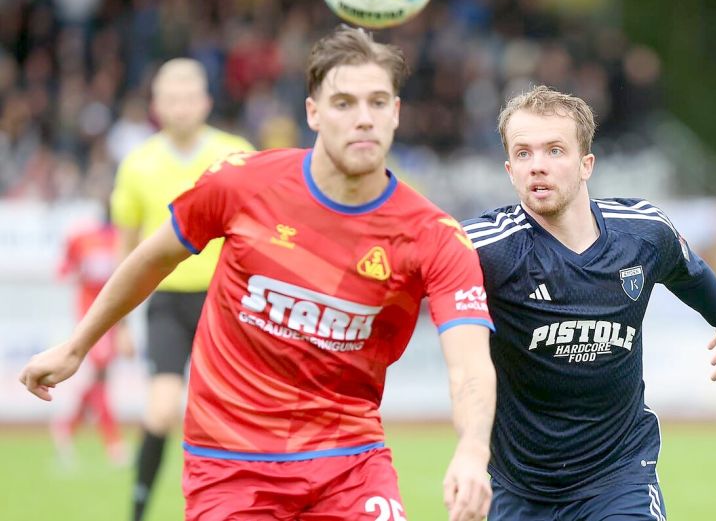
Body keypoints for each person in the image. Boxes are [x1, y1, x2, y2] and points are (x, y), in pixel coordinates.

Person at [20, 26, 496, 521]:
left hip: (349, 461)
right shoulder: (242, 183)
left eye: (378, 102)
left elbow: (469, 365)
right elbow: (151, 258)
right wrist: (78, 346)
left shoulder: (433, 236)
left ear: (396, 113)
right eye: (344, 103)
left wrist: (472, 451)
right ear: (312, 112)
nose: (363, 119)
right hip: (229, 465)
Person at [462, 85, 716, 520]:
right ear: (510, 170)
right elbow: (407, 270)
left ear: (586, 164)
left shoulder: (642, 233)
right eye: (524, 154)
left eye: (554, 150)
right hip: (521, 487)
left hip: (619, 475)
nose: (538, 167)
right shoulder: (487, 247)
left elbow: (692, 274)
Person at [110, 58, 254, 521]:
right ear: (155, 105)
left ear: (206, 101)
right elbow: (127, 248)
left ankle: (247, 504)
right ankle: (136, 510)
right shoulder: (137, 163)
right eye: (170, 98)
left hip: (227, 302)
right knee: (159, 410)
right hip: (167, 302)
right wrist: (118, 321)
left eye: (189, 97)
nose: (180, 107)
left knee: (236, 415)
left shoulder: (236, 154)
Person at [51, 200, 132, 467]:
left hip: (110, 317)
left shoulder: (112, 240)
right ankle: (114, 443)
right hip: (91, 317)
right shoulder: (91, 239)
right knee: (100, 376)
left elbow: (64, 271)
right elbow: (65, 269)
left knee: (100, 379)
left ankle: (66, 428)